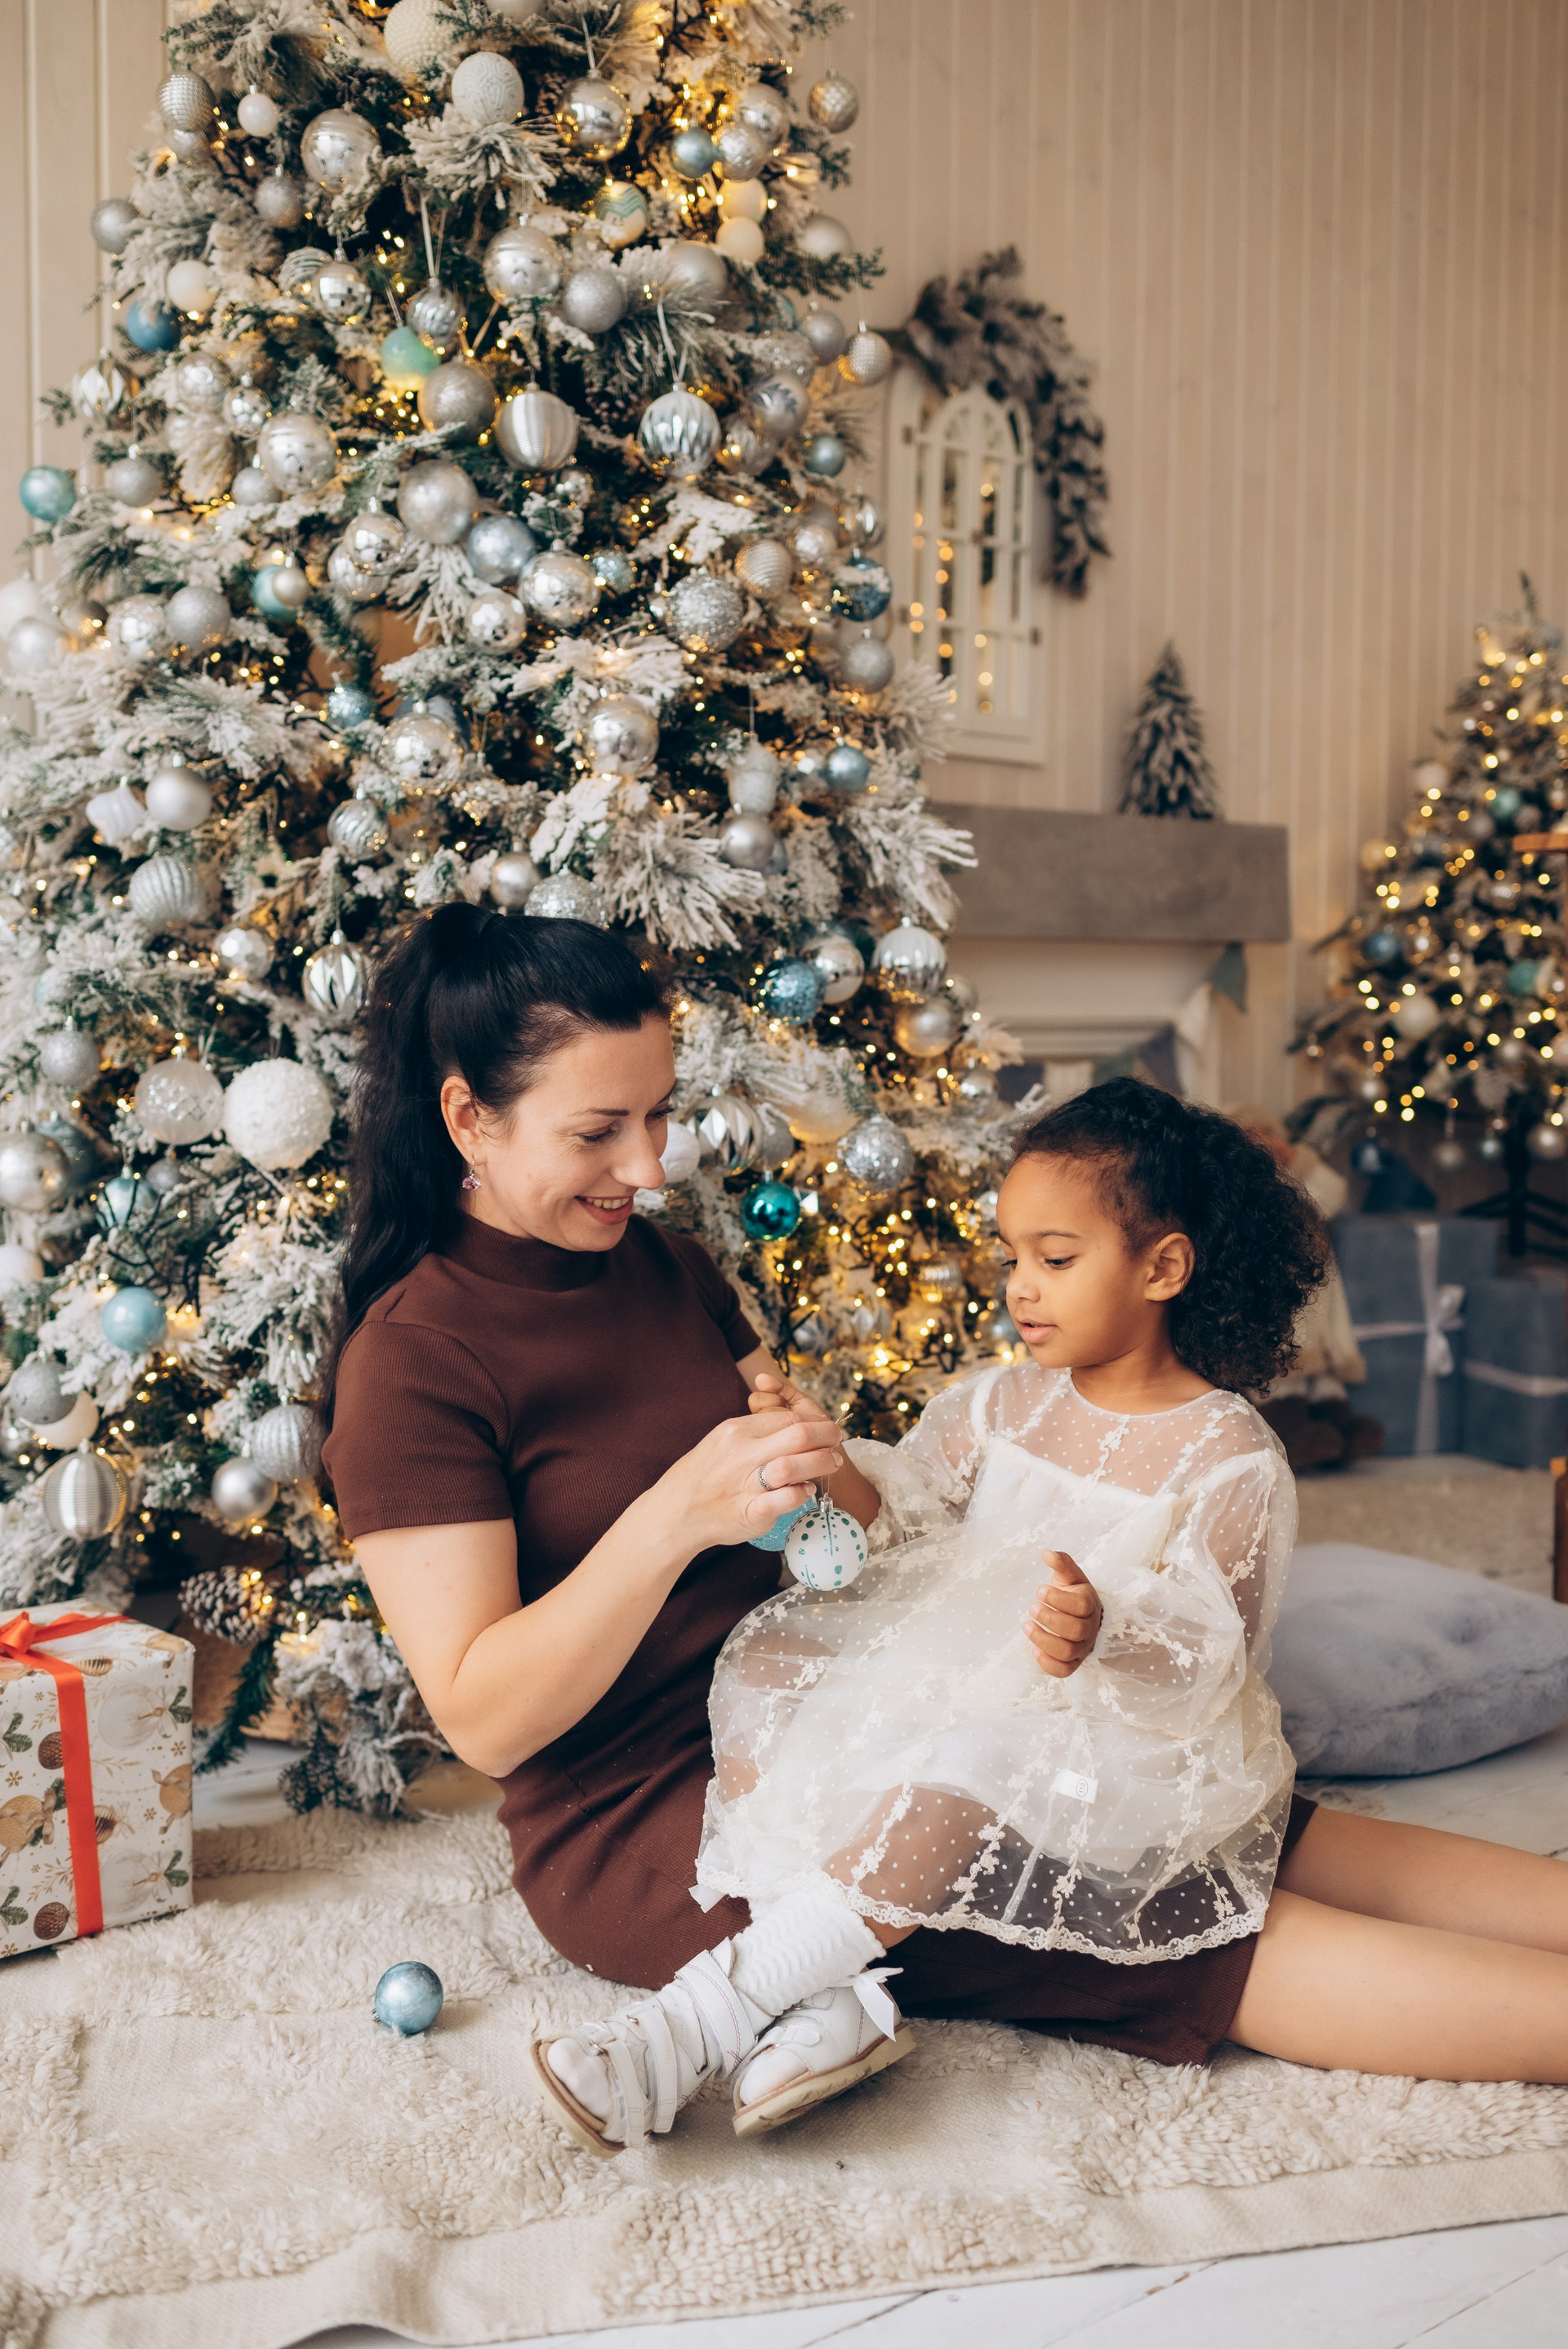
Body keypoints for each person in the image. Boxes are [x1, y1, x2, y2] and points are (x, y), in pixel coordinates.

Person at [322, 918, 1568, 2165]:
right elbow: (486, 1721)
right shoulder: (413, 1365)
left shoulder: (666, 1266)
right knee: (1180, 1917)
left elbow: (850, 1529)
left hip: (848, 1695)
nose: (647, 1167)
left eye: (658, 1116)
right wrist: (672, 1520)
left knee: (1227, 1816)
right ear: (470, 1119)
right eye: (599, 1131)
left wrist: (825, 1474)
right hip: (657, 1820)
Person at [1227, 1102, 1383, 1472]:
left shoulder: (1294, 1181)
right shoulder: (1238, 1188)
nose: (1262, 1144)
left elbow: (1331, 1196)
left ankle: (1339, 1426)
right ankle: (1291, 1431)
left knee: (1323, 1371)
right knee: (1283, 1366)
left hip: (1316, 1289)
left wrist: (1296, 1159)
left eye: (1268, 1136)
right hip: (1271, 1288)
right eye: (1251, 1137)